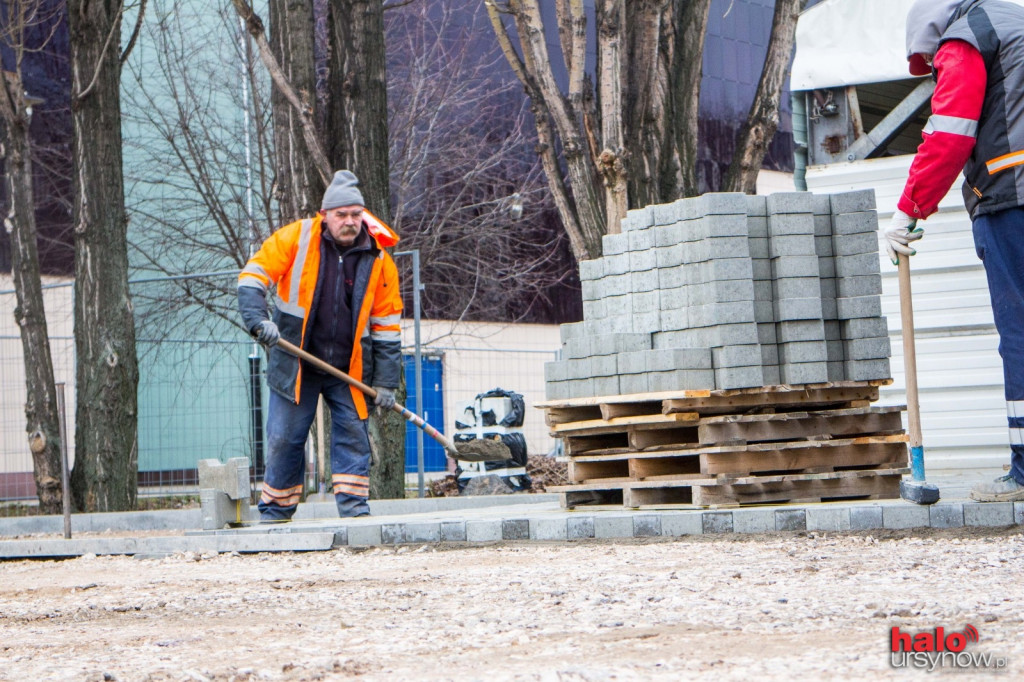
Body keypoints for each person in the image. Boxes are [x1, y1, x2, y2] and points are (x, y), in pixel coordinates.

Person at [887, 0, 1024, 502]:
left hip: (1014, 198)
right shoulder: (1016, 24)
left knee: (1021, 329)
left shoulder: (968, 37)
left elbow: (949, 133)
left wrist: (909, 209)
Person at [238, 170, 403, 519]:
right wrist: (258, 319)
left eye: (355, 215)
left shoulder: (379, 260)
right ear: (324, 215)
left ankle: (355, 514)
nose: (349, 222)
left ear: (363, 216)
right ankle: (275, 513)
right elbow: (254, 275)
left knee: (353, 437)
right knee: (285, 438)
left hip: (350, 368)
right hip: (296, 363)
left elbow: (387, 325)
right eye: (341, 215)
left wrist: (386, 382)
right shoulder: (296, 238)